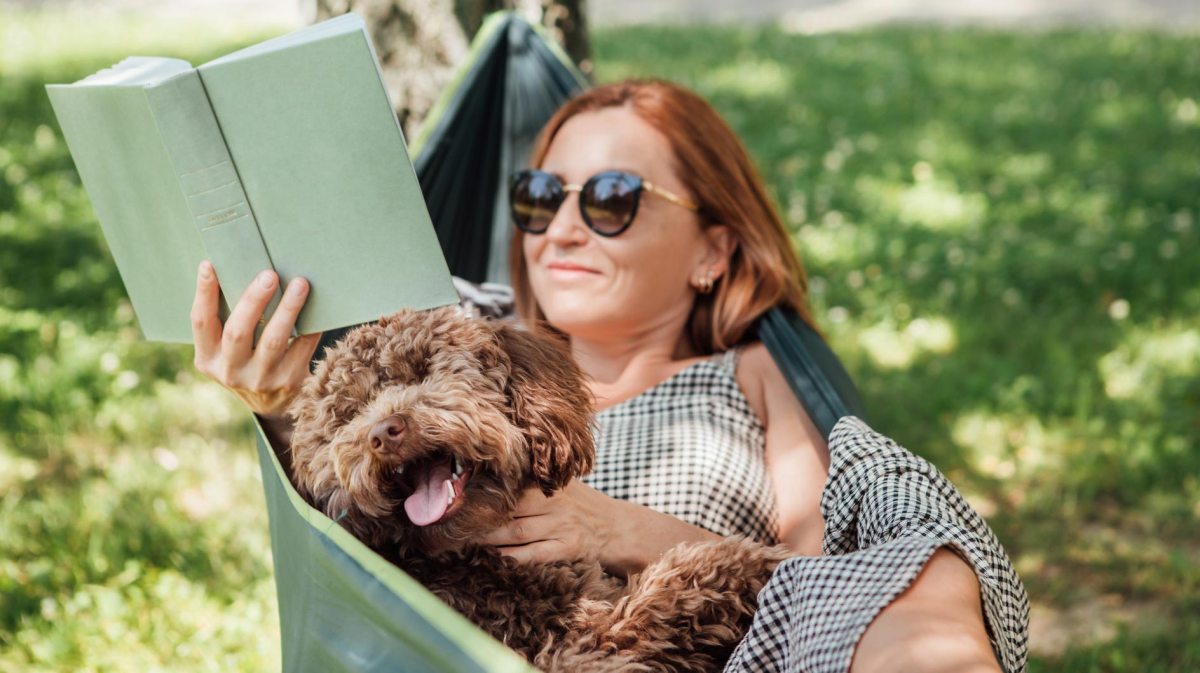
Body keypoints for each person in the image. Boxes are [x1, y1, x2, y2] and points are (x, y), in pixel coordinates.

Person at [191, 79, 1025, 672]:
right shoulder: (465, 335)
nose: (560, 229)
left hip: (683, 645)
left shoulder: (754, 373)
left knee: (924, 569)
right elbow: (349, 542)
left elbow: (826, 586)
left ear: (713, 249)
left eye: (612, 199)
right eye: (539, 197)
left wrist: (620, 529)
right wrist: (277, 405)